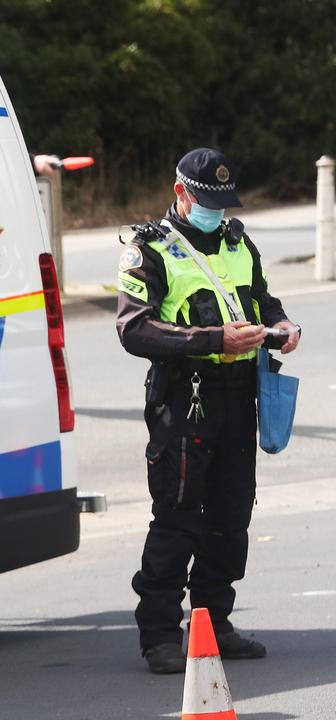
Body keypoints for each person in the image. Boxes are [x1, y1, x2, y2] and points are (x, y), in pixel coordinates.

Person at [116, 147, 301, 674]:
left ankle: (214, 621)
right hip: (184, 401)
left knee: (230, 517)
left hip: (240, 399)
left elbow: (264, 301)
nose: (217, 213)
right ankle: (158, 635)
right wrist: (212, 338)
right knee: (177, 520)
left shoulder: (241, 242)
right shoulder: (148, 249)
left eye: (224, 204)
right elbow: (134, 329)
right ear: (181, 194)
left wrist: (283, 327)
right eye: (207, 202)